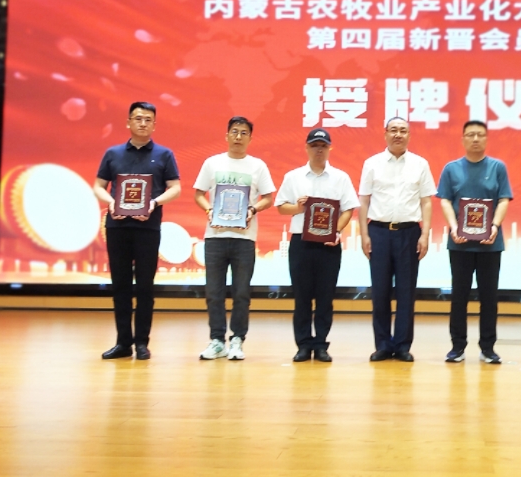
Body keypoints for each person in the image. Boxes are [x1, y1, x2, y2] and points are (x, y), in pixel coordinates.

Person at [93, 102, 181, 360]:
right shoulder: (113, 153)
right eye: (138, 118)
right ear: (128, 122)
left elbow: (175, 188)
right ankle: (123, 343)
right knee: (120, 286)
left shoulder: (164, 154)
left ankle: (142, 343)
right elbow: (98, 186)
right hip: (118, 227)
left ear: (154, 124)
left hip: (148, 228)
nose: (143, 123)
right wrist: (111, 202)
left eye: (148, 119)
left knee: (145, 287)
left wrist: (154, 202)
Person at [193, 116, 276, 361]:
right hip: (215, 237)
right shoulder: (212, 163)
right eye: (234, 132)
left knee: (241, 293)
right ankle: (217, 340)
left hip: (244, 239)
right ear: (227, 135)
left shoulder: (257, 166)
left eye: (244, 133)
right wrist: (210, 210)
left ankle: (238, 339)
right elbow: (198, 194)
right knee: (214, 293)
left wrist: (252, 209)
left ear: (250, 138)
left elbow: (268, 198)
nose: (238, 137)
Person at [275, 128, 359, 363]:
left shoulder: (340, 177)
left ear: (330, 148)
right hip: (301, 243)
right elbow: (281, 207)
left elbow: (348, 209)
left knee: (325, 297)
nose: (319, 150)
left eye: (323, 146)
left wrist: (336, 231)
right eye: (314, 145)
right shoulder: (293, 177)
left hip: (329, 245)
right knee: (301, 297)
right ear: (306, 148)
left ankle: (321, 344)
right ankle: (303, 345)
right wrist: (297, 208)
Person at [358, 117, 436, 362]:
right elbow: (364, 201)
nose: (398, 134)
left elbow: (426, 201)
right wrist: (364, 234)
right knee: (380, 291)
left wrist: (425, 234)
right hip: (379, 232)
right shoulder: (372, 163)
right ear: (385, 134)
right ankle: (382, 344)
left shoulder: (420, 164)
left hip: (409, 233)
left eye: (403, 131)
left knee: (406, 292)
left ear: (409, 135)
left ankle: (402, 345)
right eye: (393, 130)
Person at [437, 120, 513, 364]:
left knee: (489, 297)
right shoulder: (451, 169)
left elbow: (503, 199)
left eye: (480, 134)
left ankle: (488, 348)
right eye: (470, 134)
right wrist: (453, 226)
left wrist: (494, 226)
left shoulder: (497, 167)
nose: (476, 139)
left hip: (490, 243)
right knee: (459, 296)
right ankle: (457, 347)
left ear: (487, 139)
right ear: (463, 139)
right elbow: (445, 200)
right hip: (459, 243)